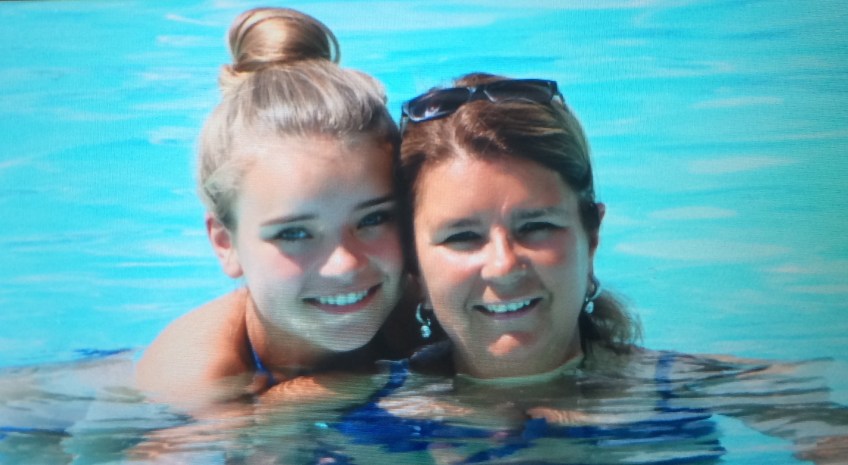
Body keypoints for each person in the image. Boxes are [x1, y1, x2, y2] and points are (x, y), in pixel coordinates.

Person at [330, 73, 848, 464]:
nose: (504, 266)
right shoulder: (352, 412)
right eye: (462, 237)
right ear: (413, 264)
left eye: (536, 226)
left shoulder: (697, 387)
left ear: (591, 236)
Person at [135, 7, 422, 408]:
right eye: (294, 232)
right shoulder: (199, 378)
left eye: (373, 218)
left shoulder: (434, 312)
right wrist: (285, 413)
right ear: (225, 243)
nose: (345, 265)